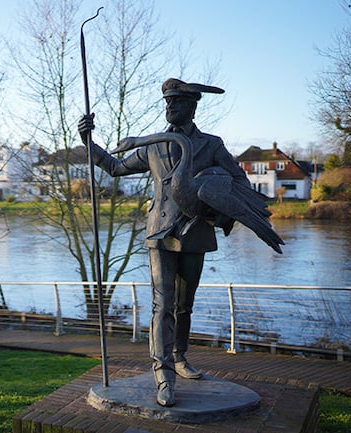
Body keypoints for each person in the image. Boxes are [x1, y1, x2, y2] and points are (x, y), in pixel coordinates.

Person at [78, 78, 252, 407]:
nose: (169, 108)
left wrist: (218, 209)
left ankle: (181, 358)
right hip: (159, 233)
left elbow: (238, 182)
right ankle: (164, 375)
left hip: (196, 233)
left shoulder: (212, 145)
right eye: (167, 103)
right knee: (162, 305)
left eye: (176, 103)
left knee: (185, 304)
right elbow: (115, 167)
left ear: (191, 106)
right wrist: (88, 141)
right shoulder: (154, 145)